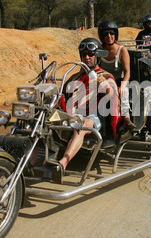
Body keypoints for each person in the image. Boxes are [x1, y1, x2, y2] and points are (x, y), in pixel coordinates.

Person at [46, 38, 121, 183]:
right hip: (72, 115)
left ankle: (62, 164)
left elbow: (113, 97)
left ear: (97, 56)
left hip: (95, 118)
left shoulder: (105, 76)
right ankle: (28, 165)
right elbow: (63, 97)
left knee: (81, 125)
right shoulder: (75, 77)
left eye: (91, 54)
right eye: (84, 54)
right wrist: (53, 88)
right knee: (43, 120)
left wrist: (107, 88)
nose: (87, 57)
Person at [98, 20, 135, 129]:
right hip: (103, 82)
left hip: (119, 81)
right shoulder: (99, 50)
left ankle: (126, 118)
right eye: (105, 34)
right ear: (101, 36)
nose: (109, 36)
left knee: (124, 92)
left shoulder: (122, 50)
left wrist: (123, 85)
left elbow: (127, 71)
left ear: (116, 34)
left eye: (112, 33)